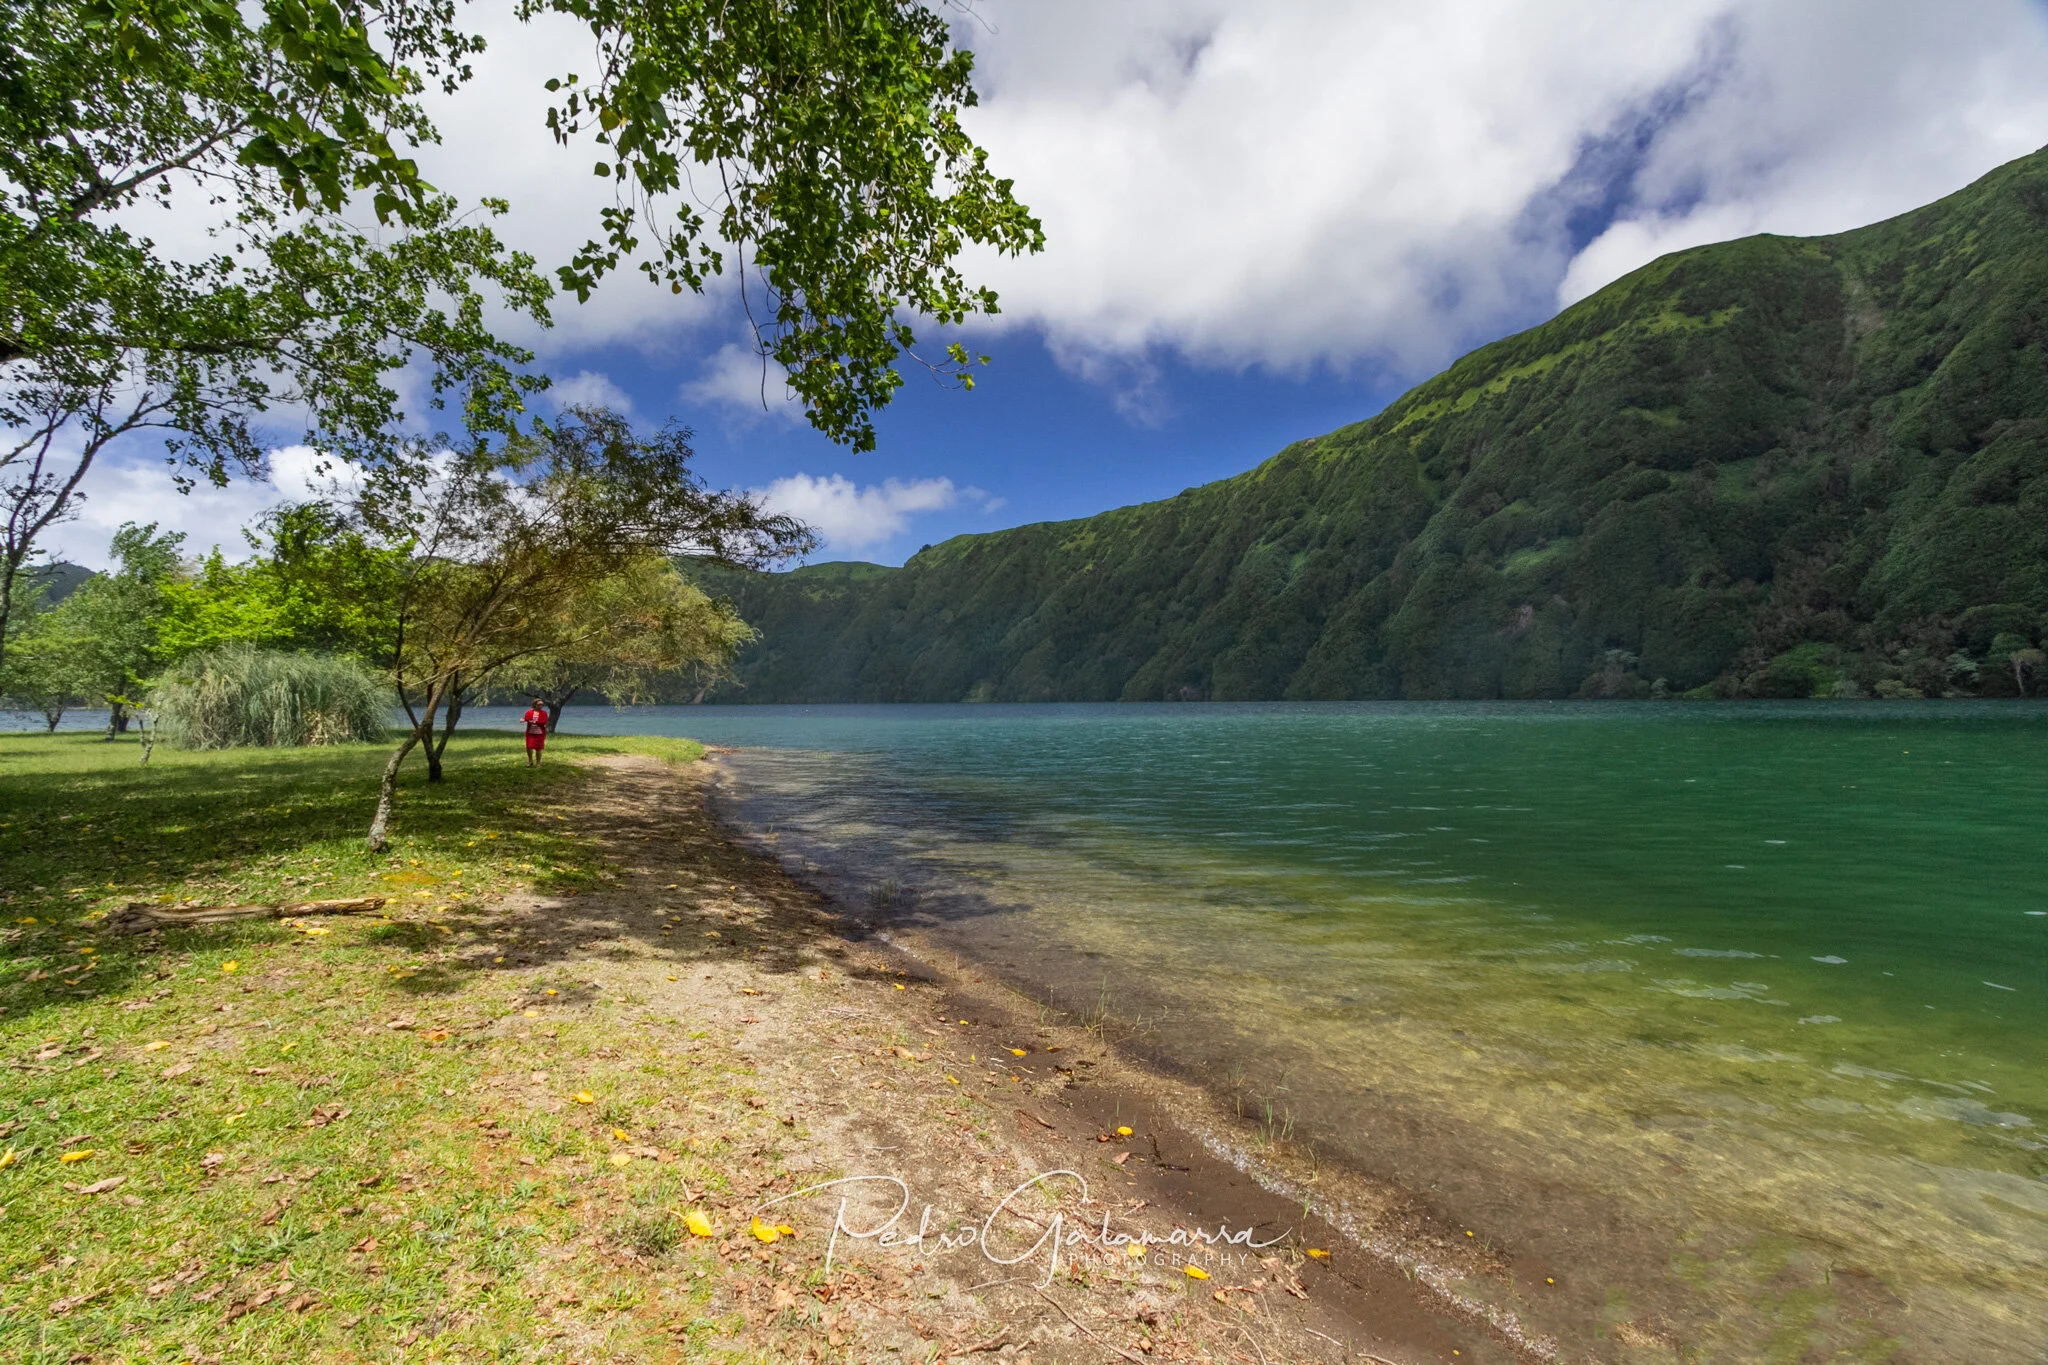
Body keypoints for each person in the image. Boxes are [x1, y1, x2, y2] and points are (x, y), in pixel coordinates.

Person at [522, 698, 550, 766]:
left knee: (539, 748)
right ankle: (530, 761)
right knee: (529, 747)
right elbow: (526, 719)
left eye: (542, 705)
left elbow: (544, 722)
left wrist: (534, 722)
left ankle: (538, 763)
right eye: (539, 704)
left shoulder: (544, 713)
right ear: (534, 705)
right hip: (530, 733)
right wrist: (524, 720)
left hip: (540, 734)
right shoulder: (529, 712)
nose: (541, 706)